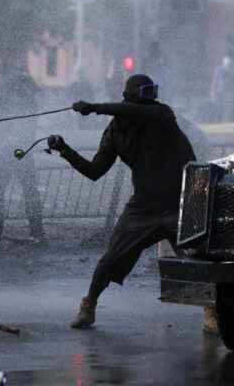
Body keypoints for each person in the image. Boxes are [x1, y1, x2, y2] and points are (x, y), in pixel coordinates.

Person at [47, 73, 195, 329]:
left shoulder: (162, 115)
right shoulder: (116, 131)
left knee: (197, 259)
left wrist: (95, 108)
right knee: (109, 259)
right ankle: (88, 305)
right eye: (145, 95)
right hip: (143, 207)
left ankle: (213, 311)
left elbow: (139, 112)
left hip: (178, 202)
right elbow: (95, 171)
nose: (151, 101)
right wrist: (65, 150)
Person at [0, 71, 44, 240]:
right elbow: (30, 127)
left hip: (5, 154)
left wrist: (0, 140)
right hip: (19, 154)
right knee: (29, 192)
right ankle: (36, 229)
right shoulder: (27, 102)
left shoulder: (2, 102)